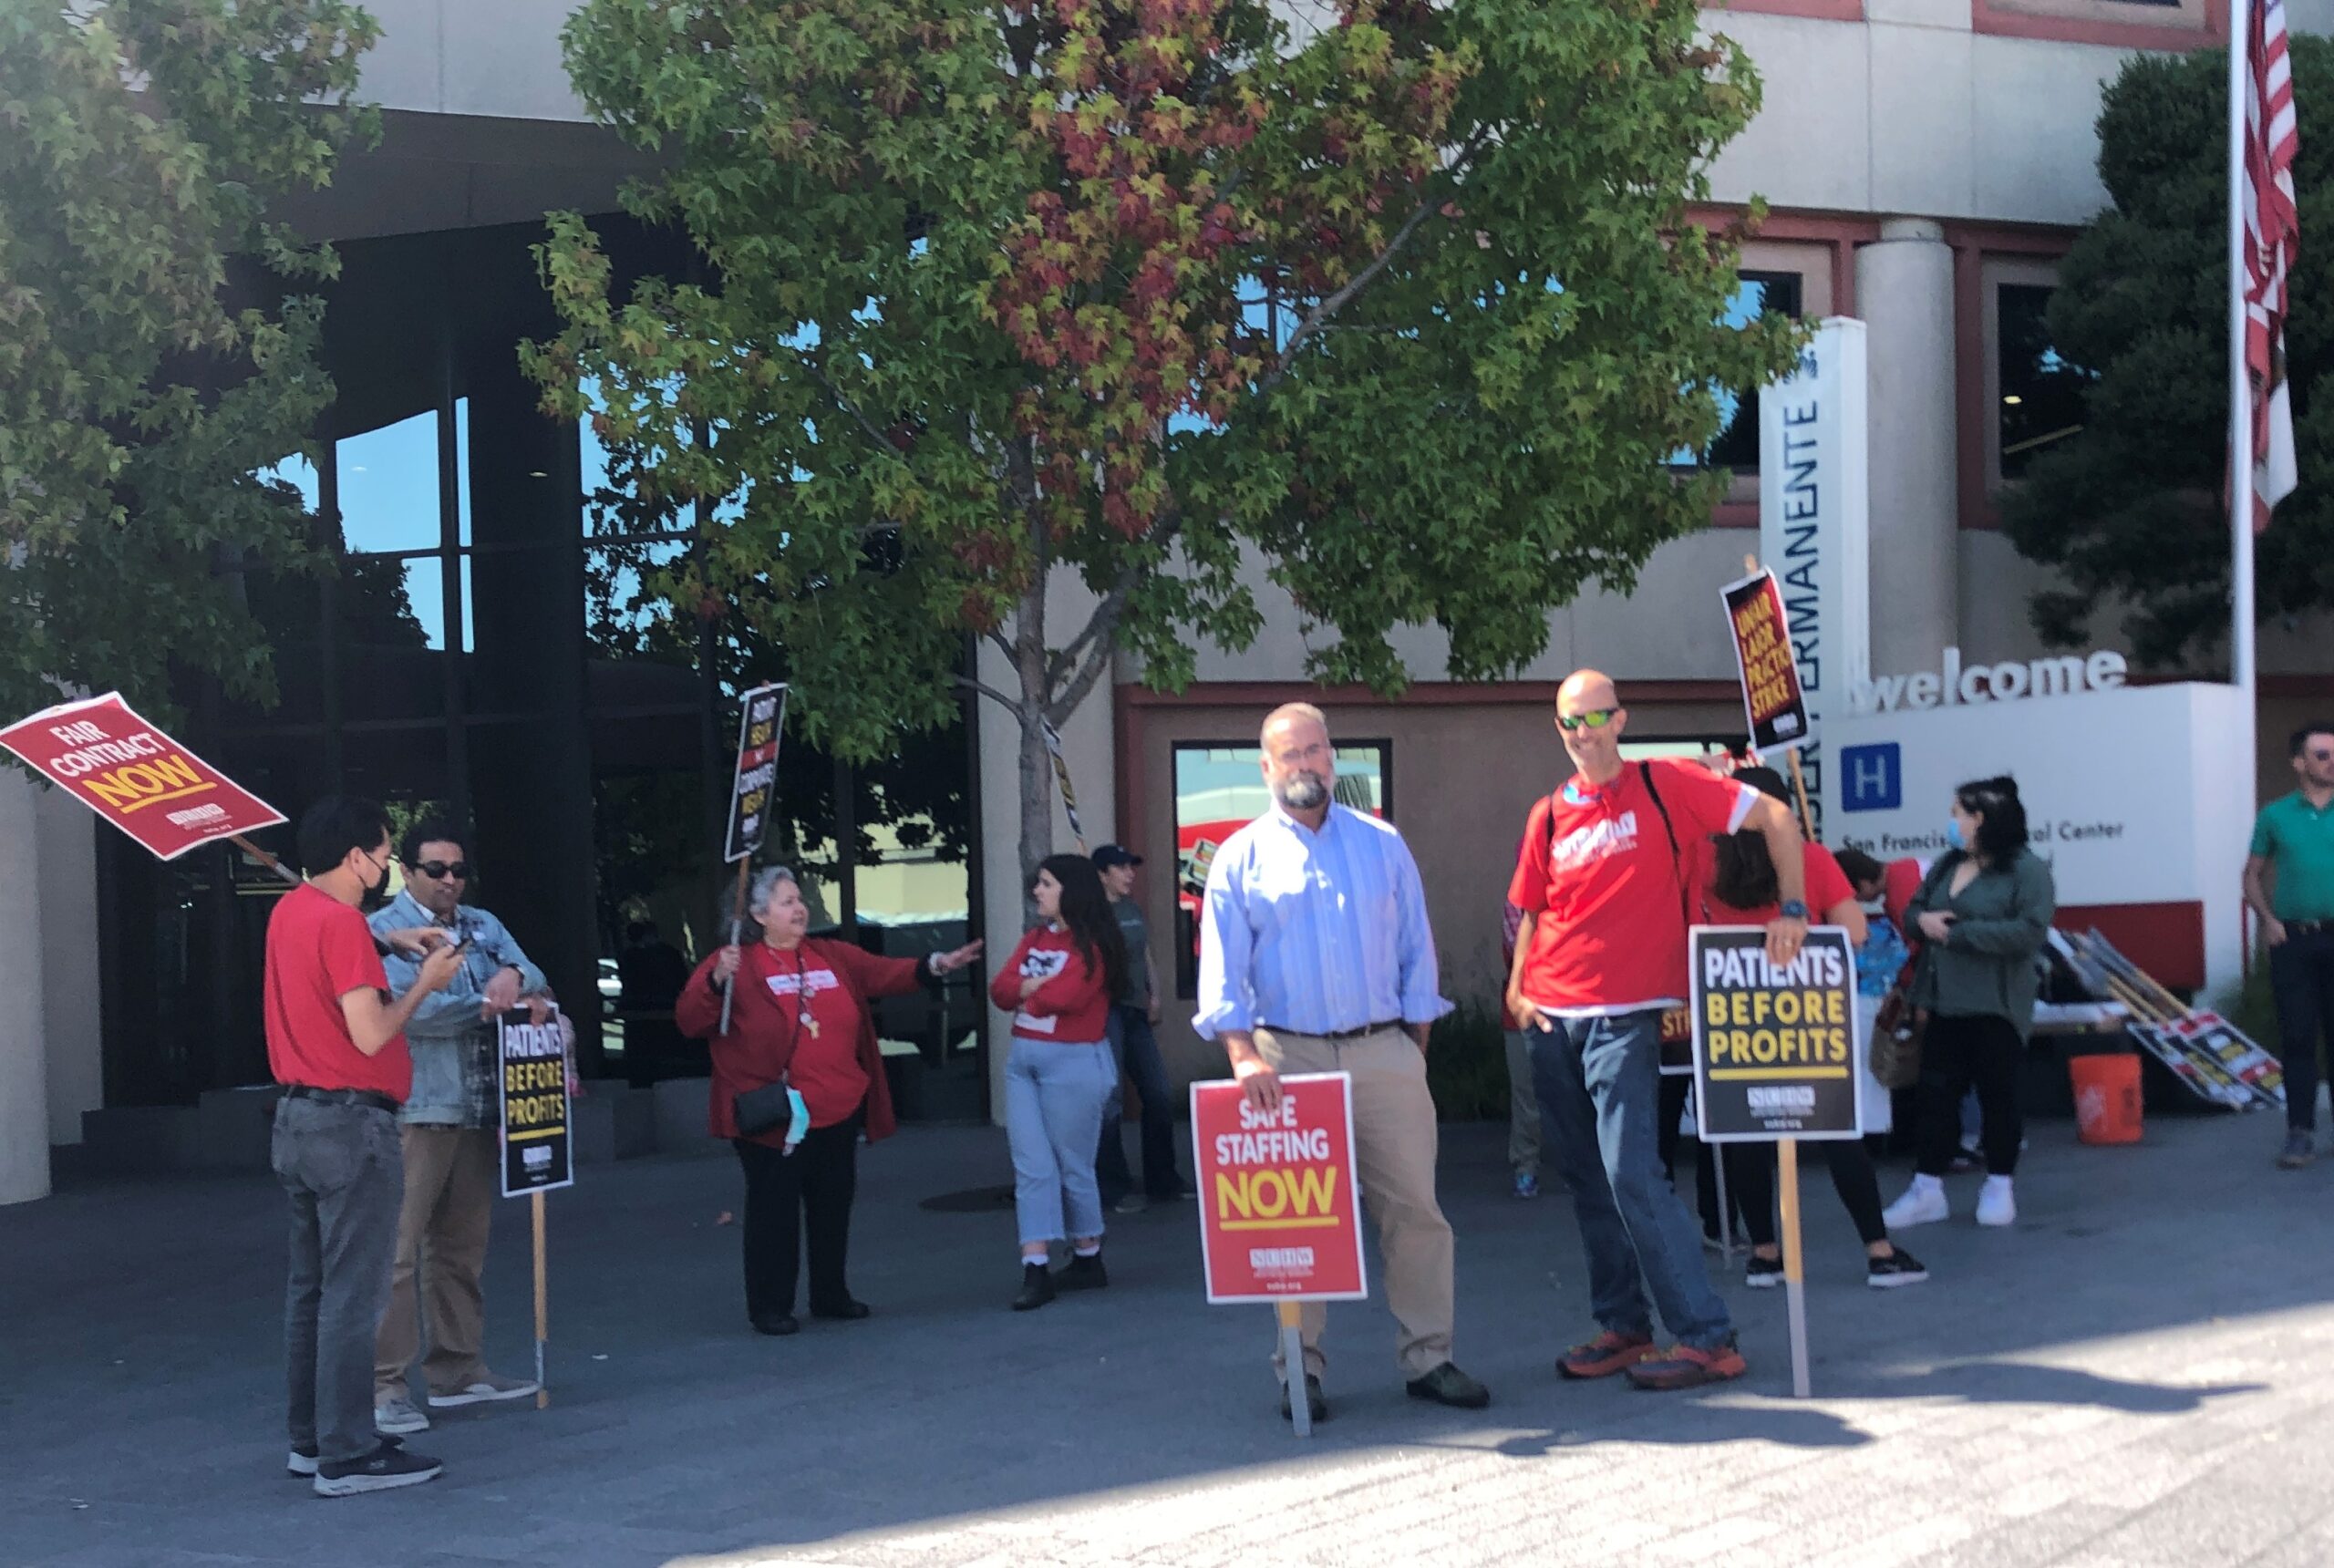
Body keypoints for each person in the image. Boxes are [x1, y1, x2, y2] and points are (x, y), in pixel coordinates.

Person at [1505, 671, 1807, 1391]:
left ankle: (1706, 1336)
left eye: (1598, 716)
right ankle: (1625, 1327)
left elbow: (1776, 819)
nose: (1585, 731)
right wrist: (1517, 990)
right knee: (1587, 1179)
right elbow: (1535, 911)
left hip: (1625, 1016)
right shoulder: (1548, 813)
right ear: (1560, 729)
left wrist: (1793, 906)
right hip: (1551, 1016)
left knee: (1633, 1173)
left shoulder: (1665, 784)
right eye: (1572, 721)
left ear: (1621, 719)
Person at [1196, 703, 1490, 1422]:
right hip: (1283, 1056)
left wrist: (1410, 1046)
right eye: (1289, 755)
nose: (1305, 765)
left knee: (1416, 1213)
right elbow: (1223, 968)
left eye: (1315, 750)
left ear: (1335, 756)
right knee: (1296, 1225)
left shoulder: (1383, 844)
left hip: (1382, 1049)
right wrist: (1241, 1055)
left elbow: (1416, 946)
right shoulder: (1238, 857)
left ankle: (1430, 1359)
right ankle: (1301, 1369)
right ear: (1266, 768)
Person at [678, 867, 980, 1336]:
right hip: (774, 1115)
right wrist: (716, 981)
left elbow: (884, 974)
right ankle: (770, 1305)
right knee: (773, 1211)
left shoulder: (829, 954)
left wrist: (938, 964)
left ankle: (830, 1293)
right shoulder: (735, 962)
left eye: (798, 899)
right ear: (758, 915)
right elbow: (691, 1020)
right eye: (785, 902)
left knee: (832, 1205)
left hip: (836, 1107)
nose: (799, 908)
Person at [267, 797, 463, 1496]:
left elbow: (321, 971)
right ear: (355, 858)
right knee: (354, 1295)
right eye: (384, 856)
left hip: (296, 1120)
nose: (385, 869)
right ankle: (348, 1453)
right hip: (353, 1125)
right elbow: (372, 1032)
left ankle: (310, 1439)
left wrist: (391, 943)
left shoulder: (290, 910)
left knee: (311, 1292)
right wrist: (426, 985)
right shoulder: (344, 923)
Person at [1702, 770, 1926, 1289]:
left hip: (1737, 1022)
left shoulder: (1707, 862)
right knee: (1836, 1133)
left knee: (1746, 1137)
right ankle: (1878, 1250)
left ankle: (1764, 1255)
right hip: (1809, 1018)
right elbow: (1855, 931)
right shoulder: (1812, 860)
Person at [367, 818, 552, 1437]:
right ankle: (386, 1384)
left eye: (458, 869)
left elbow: (536, 976)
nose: (450, 880)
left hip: (478, 1105)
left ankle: (457, 1369)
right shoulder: (384, 932)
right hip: (418, 1106)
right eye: (436, 869)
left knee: (460, 1247)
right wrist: (490, 1002)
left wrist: (515, 978)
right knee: (395, 1252)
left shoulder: (484, 924)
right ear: (408, 872)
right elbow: (412, 1013)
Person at [1881, 776, 2057, 1230]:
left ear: (1982, 819)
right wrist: (1924, 922)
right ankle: (1927, 1189)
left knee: (1999, 1095)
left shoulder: (2027, 871)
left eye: (1958, 813)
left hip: (1995, 1003)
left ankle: (1999, 1184)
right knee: (1935, 1094)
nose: (1952, 822)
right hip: (1940, 1001)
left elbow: (2029, 932)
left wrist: (1959, 934)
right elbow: (1913, 911)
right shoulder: (1947, 864)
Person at [991, 855, 1127, 1311]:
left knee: (1073, 1166)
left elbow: (1066, 996)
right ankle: (1035, 1267)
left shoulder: (1096, 945)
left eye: (1046, 884)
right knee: (1033, 1167)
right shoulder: (1034, 938)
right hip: (1024, 1063)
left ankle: (1089, 1256)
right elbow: (1000, 990)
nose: (1037, 891)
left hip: (1074, 1064)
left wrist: (1028, 989)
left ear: (1070, 889)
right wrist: (1034, 987)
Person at [2246, 723, 2334, 1169]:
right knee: (2298, 1037)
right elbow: (2251, 874)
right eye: (2322, 754)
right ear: (2298, 762)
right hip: (2294, 940)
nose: (2331, 762)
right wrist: (2267, 919)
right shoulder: (2275, 816)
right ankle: (2300, 1132)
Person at [1090, 844, 1192, 1213]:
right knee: (1111, 1098)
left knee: (1159, 1093)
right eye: (1121, 868)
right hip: (1107, 1012)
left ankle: (1163, 1180)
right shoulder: (1092, 916)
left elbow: (1145, 954)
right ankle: (1112, 1187)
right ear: (1103, 874)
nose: (1130, 874)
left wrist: (1157, 995)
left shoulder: (1132, 909)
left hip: (1136, 1010)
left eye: (1130, 867)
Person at [1499, 885, 1542, 1200]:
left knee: (1579, 1094)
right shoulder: (1516, 904)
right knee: (1526, 1094)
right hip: (1523, 1012)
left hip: (1567, 1007)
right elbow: (1520, 958)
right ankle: (1525, 1165)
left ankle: (1586, 1168)